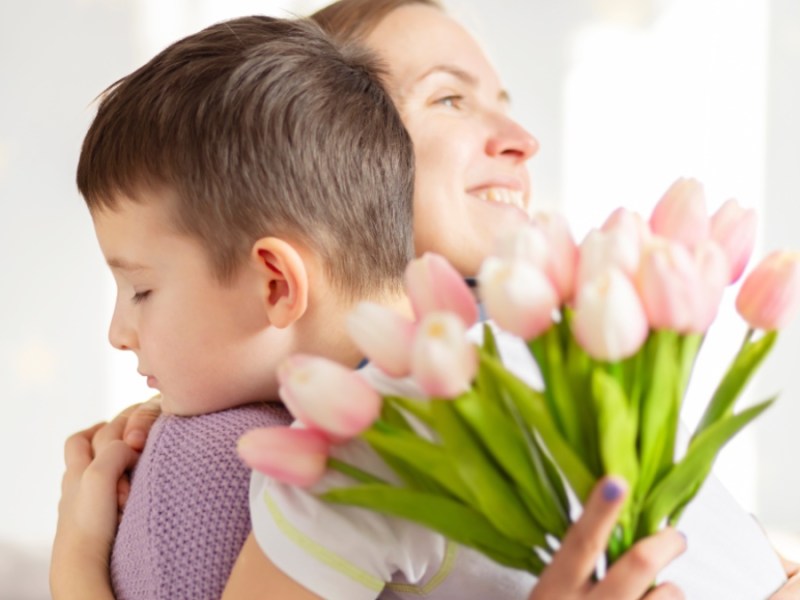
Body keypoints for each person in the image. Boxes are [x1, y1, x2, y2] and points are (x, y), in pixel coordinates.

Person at [57, 1, 800, 598]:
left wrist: (78, 566)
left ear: (277, 281)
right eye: (448, 97)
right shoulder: (559, 366)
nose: (521, 139)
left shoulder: (343, 459)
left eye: (143, 291)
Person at [50, 15, 416, 599]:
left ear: (274, 285)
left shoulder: (334, 469)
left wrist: (75, 554)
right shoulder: (487, 364)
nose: (119, 334)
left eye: (142, 290)